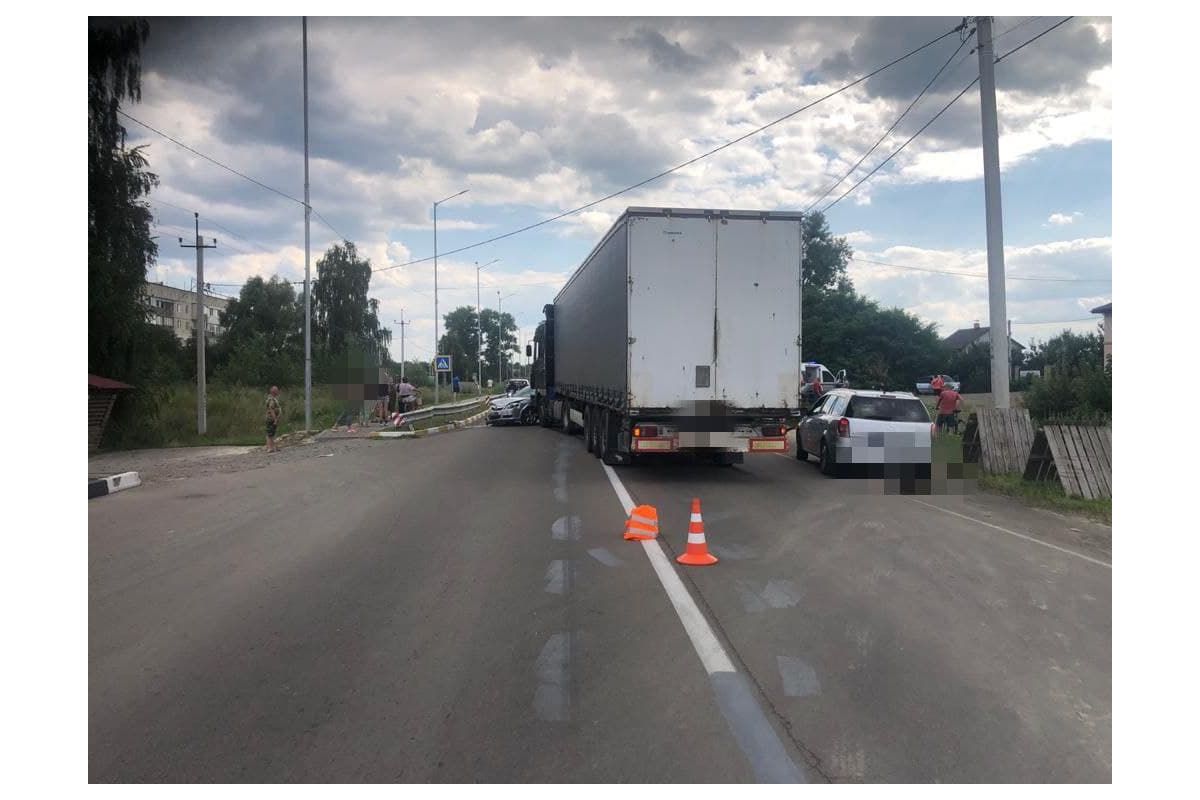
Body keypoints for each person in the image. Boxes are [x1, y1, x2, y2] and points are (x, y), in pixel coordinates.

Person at [265, 386, 282, 453]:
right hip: (271, 419)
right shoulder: (271, 399)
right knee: (270, 433)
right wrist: (275, 419)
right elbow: (271, 409)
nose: (278, 392)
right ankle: (270, 448)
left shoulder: (274, 399)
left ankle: (274, 447)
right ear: (273, 392)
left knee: (273, 432)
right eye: (276, 390)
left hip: (273, 418)